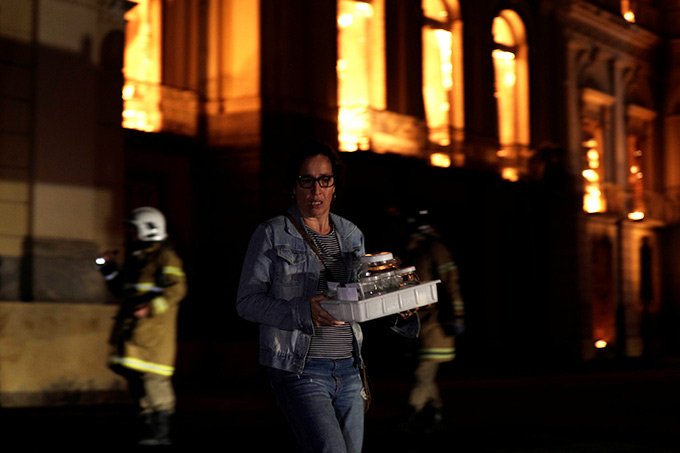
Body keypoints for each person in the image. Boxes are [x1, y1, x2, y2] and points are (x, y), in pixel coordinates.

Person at [236, 140, 418, 453]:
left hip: (349, 369)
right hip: (301, 370)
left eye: (325, 180)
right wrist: (300, 311)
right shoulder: (272, 233)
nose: (315, 190)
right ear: (293, 187)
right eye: (306, 180)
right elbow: (247, 302)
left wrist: (399, 302)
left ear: (335, 186)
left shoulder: (351, 234)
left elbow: (361, 298)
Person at [97, 206, 187, 446]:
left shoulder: (165, 257)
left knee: (154, 381)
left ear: (149, 229)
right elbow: (122, 291)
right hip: (134, 334)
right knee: (137, 382)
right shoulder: (138, 259)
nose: (130, 234)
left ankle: (160, 432)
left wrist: (150, 308)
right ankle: (149, 431)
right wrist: (108, 269)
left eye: (134, 230)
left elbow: (176, 289)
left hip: (153, 337)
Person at [400, 208, 465, 434]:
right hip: (420, 325)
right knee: (425, 373)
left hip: (436, 324)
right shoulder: (413, 251)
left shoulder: (434, 249)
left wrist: (457, 315)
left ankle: (409, 416)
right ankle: (435, 416)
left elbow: (451, 282)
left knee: (422, 372)